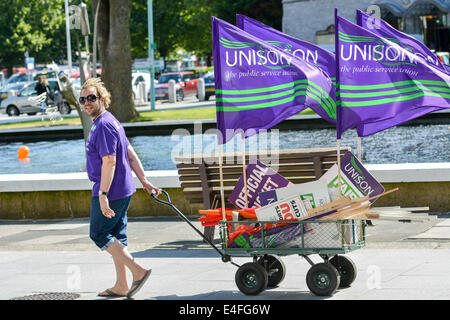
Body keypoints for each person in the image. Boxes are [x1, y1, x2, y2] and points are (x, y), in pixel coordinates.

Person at [79, 78, 161, 299]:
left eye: (92, 98)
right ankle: (122, 285)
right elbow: (130, 153)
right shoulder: (111, 121)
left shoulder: (104, 125)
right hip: (123, 188)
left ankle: (137, 271)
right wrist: (144, 180)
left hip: (111, 190)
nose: (87, 102)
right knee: (116, 235)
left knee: (99, 233)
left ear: (102, 99)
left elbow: (110, 161)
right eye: (83, 99)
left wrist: (103, 194)